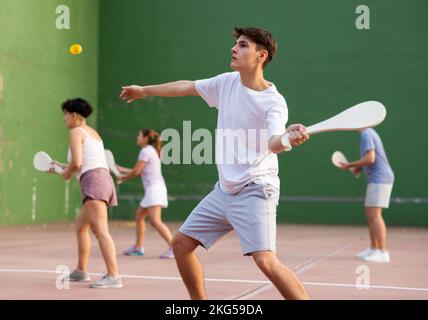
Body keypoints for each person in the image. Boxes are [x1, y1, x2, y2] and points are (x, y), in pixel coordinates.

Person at [119, 27, 310, 299]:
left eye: (243, 45)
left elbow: (274, 143)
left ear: (261, 55)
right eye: (235, 44)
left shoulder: (273, 102)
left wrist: (289, 137)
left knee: (265, 261)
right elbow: (185, 86)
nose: (234, 49)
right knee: (181, 244)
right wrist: (144, 91)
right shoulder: (227, 83)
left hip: (256, 188)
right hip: (224, 191)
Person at [54, 98, 123, 288]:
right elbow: (82, 162)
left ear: (74, 115)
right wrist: (59, 167)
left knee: (101, 231)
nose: (64, 118)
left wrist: (66, 174)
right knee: (81, 225)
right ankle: (81, 271)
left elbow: (76, 164)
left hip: (93, 181)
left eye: (65, 114)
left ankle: (114, 276)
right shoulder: (92, 133)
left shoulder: (76, 132)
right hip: (102, 179)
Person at [117, 128, 174, 259]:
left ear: (145, 138)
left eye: (139, 135)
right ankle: (138, 247)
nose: (137, 137)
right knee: (139, 215)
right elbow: (140, 170)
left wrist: (124, 177)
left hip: (155, 190)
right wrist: (121, 170)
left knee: (155, 221)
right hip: (155, 189)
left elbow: (136, 172)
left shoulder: (145, 151)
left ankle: (174, 247)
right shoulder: (150, 151)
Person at [341, 128, 394, 263]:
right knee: (370, 212)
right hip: (377, 178)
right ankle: (373, 248)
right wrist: (359, 167)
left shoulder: (366, 134)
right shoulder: (368, 133)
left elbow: (370, 158)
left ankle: (383, 252)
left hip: (380, 178)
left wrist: (350, 165)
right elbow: (373, 159)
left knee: (375, 214)